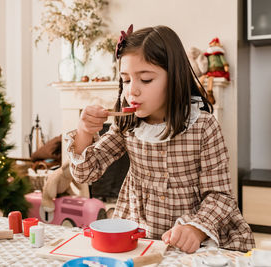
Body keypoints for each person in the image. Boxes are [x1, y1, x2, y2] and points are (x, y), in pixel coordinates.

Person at [65, 25, 255, 253]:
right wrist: (84, 131)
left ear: (174, 78)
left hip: (196, 240)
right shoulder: (127, 124)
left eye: (145, 80)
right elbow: (85, 173)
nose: (132, 91)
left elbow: (221, 196)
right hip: (141, 237)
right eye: (125, 80)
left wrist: (196, 229)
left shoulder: (203, 126)